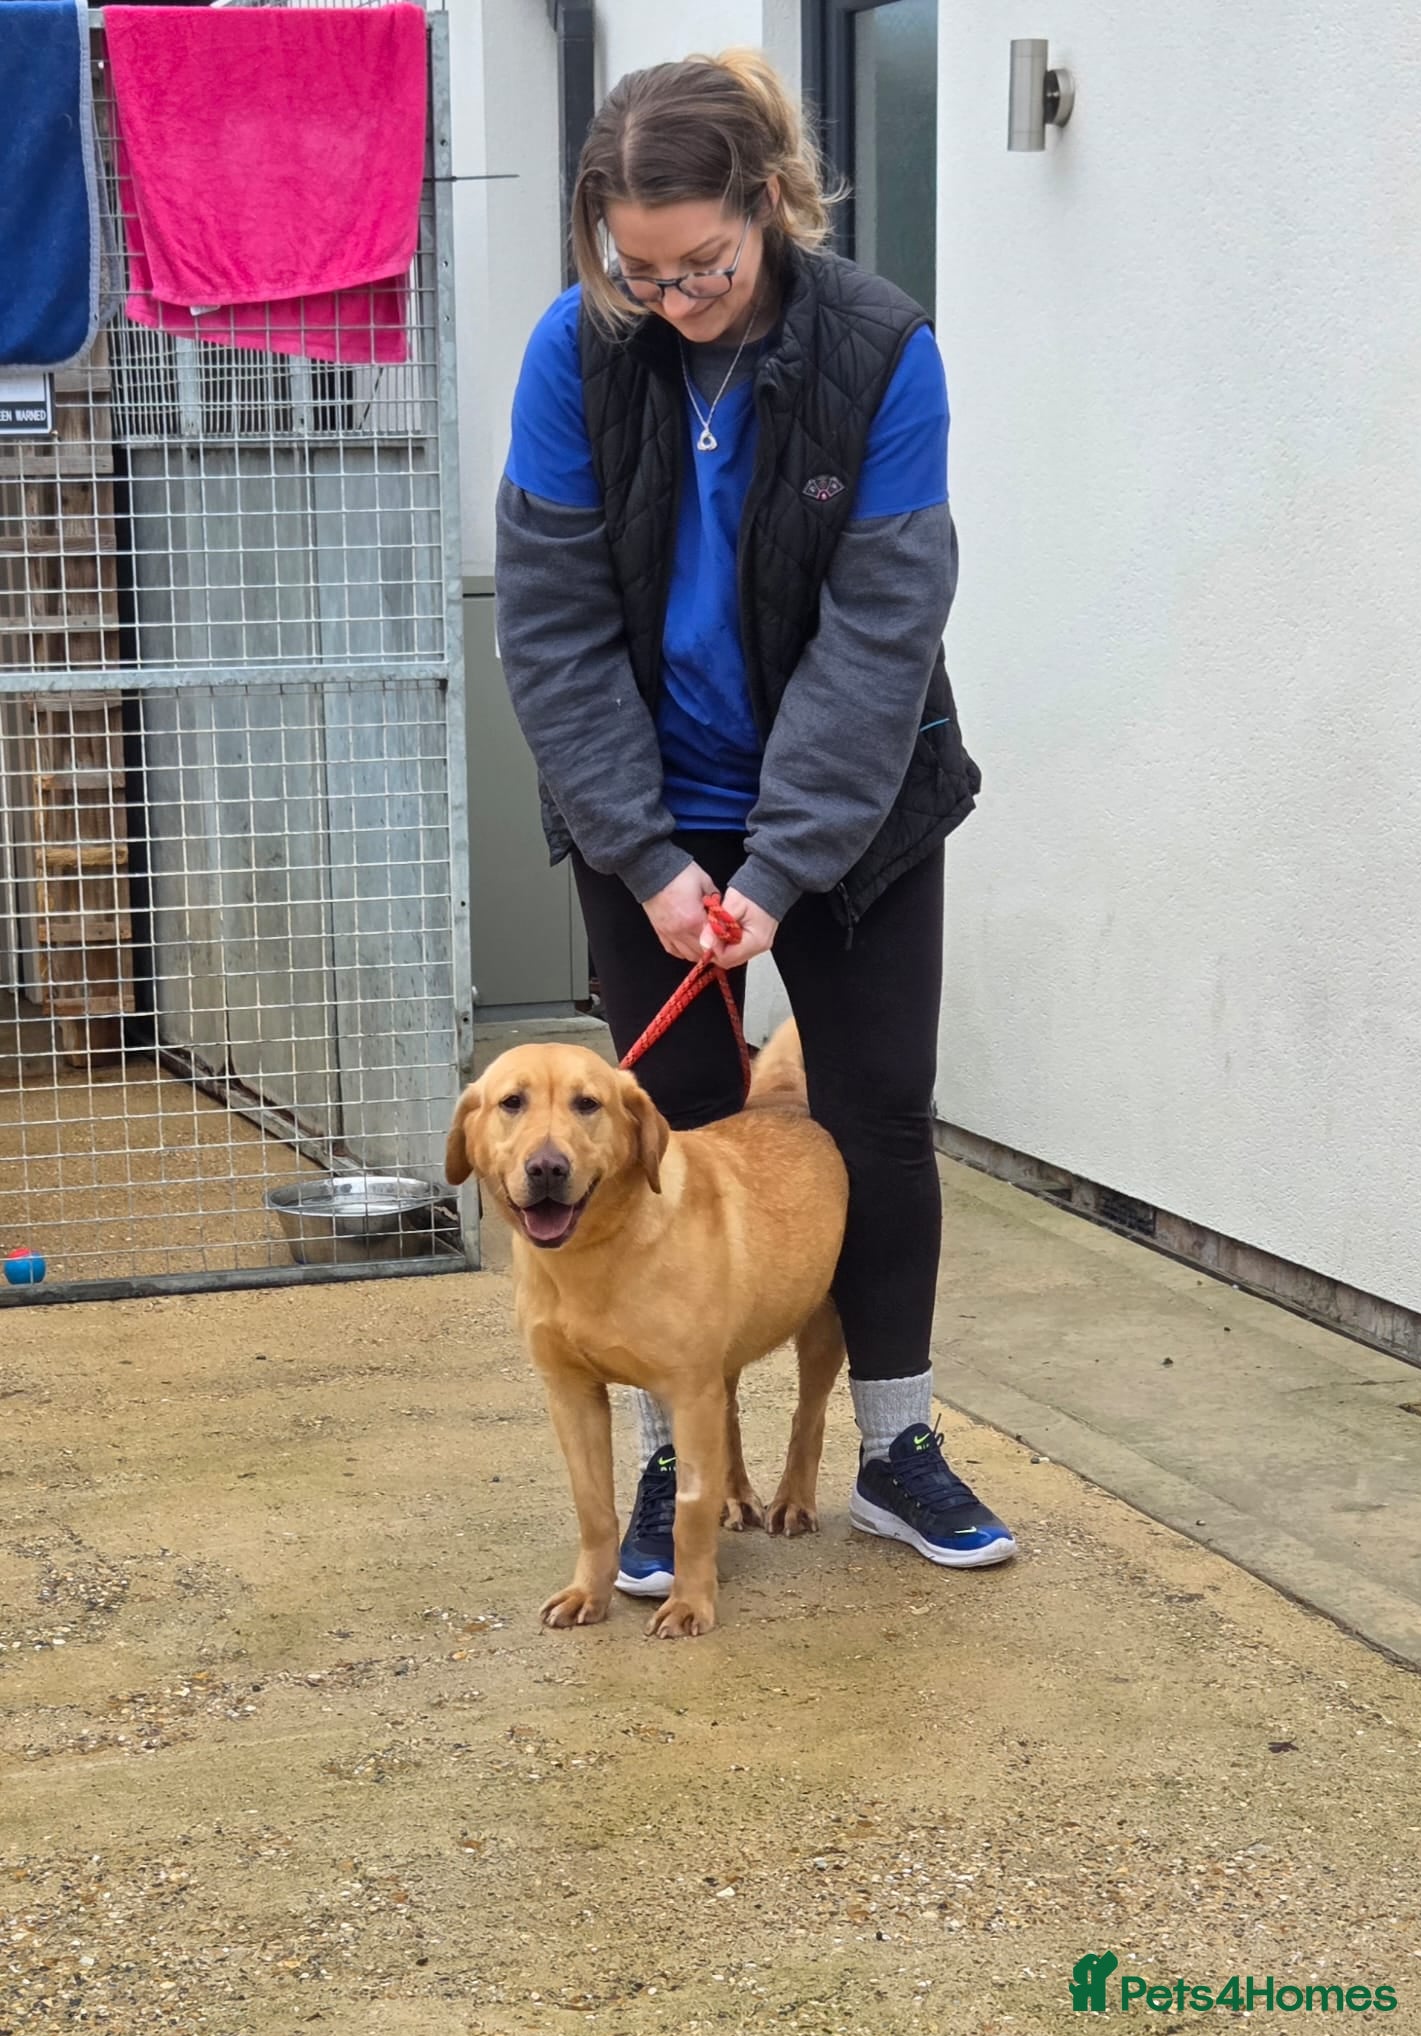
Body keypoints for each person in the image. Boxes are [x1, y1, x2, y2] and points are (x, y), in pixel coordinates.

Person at [494, 48, 1015, 1595]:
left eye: (703, 261)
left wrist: (780, 868)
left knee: (872, 1123)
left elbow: (881, 637)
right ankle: (676, 1467)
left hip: (858, 811)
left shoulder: (879, 350)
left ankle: (900, 1449)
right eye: (635, 268)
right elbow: (554, 627)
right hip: (641, 810)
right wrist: (653, 860)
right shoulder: (571, 354)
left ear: (771, 204)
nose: (671, 294)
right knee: (670, 1142)